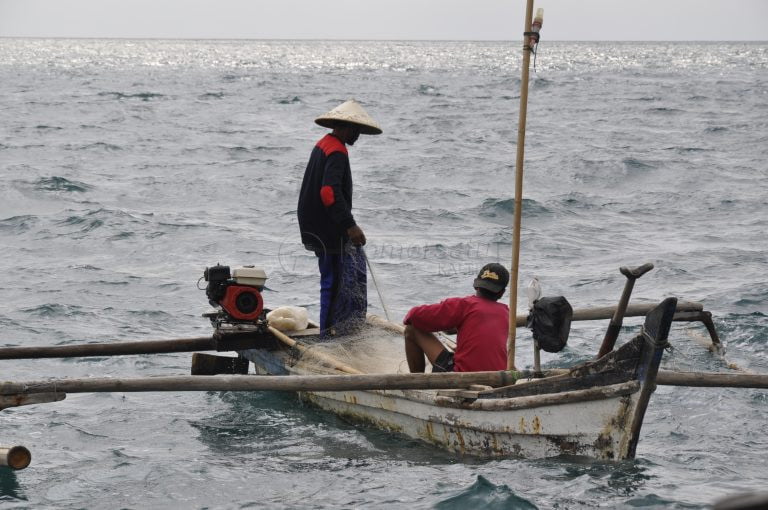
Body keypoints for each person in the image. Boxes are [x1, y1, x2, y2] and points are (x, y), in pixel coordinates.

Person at [297, 99, 382, 336]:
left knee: (331, 280)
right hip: (326, 228)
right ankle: (328, 335)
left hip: (315, 223)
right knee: (333, 284)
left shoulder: (324, 144)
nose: (358, 135)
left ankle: (332, 330)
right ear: (345, 127)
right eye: (356, 130)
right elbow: (329, 193)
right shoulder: (336, 151)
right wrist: (350, 226)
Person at [403, 263, 510, 372]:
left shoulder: (465, 305)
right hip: (496, 376)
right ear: (501, 293)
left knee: (411, 329)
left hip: (461, 376)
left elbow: (414, 316)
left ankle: (417, 380)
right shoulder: (505, 313)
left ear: (476, 285)